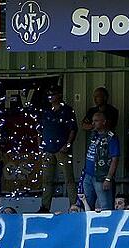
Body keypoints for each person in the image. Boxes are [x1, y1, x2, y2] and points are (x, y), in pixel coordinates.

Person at [39, 85, 78, 213]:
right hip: (47, 150)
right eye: (49, 94)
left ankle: (74, 205)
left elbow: (73, 129)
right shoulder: (45, 111)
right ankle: (45, 207)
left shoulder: (67, 110)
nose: (50, 96)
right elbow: (39, 129)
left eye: (53, 93)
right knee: (46, 180)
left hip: (62, 150)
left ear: (59, 95)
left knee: (69, 179)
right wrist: (40, 146)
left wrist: (68, 144)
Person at [82, 112, 120, 210]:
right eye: (93, 121)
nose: (93, 123)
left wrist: (108, 178)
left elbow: (115, 159)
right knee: (87, 205)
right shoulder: (93, 134)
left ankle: (108, 225)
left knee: (105, 206)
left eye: (96, 121)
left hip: (101, 177)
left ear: (104, 122)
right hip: (88, 175)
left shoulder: (111, 137)